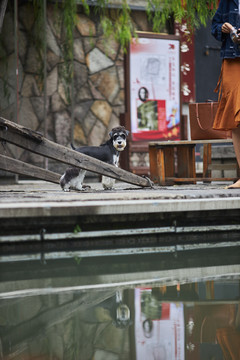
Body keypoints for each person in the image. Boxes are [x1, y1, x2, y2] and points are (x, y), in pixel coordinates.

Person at [211, 0, 240, 189]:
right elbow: (214, 27)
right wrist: (223, 28)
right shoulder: (227, 1)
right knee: (235, 118)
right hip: (232, 60)